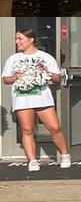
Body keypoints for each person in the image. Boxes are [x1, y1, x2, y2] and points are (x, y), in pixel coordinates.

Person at [3, 29, 70, 172]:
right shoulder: (13, 59)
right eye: (16, 39)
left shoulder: (45, 57)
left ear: (31, 40)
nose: (17, 42)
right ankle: (32, 160)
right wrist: (15, 77)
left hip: (42, 98)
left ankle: (65, 155)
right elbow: (5, 79)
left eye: (20, 39)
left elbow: (57, 78)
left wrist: (45, 72)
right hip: (22, 98)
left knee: (55, 128)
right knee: (27, 129)